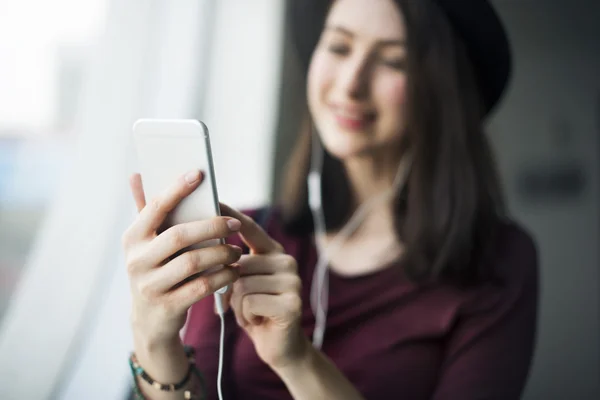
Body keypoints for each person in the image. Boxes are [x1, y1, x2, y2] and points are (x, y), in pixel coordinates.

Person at [122, 0, 539, 399]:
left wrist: (297, 360)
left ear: (441, 88)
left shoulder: (498, 263)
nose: (351, 83)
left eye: (394, 60)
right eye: (339, 47)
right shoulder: (241, 239)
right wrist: (154, 338)